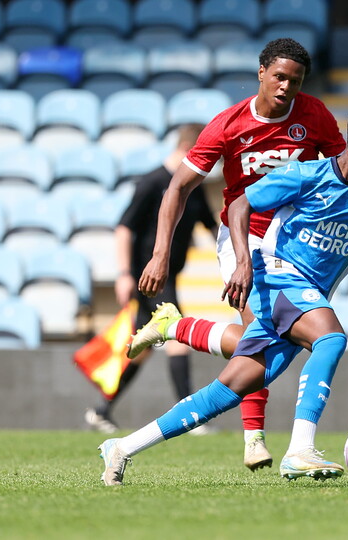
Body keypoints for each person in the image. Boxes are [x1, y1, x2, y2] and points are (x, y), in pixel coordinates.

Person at [98, 104, 348, 486]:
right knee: (331, 339)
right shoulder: (307, 175)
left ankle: (122, 447)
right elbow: (240, 204)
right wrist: (243, 262)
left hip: (308, 293)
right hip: (277, 276)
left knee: (229, 390)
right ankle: (300, 449)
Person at [133, 38, 348, 471]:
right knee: (260, 331)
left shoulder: (316, 116)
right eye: (280, 77)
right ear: (262, 73)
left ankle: (177, 326)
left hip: (296, 245)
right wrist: (160, 254)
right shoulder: (227, 125)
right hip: (242, 236)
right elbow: (178, 186)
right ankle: (256, 440)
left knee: (265, 343)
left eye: (296, 80)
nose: (287, 87)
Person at [84, 123, 218, 435]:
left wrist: (236, 261)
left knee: (141, 351)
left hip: (167, 277)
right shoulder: (153, 182)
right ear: (190, 151)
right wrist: (123, 275)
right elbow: (124, 229)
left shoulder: (192, 188)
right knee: (179, 338)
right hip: (150, 277)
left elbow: (211, 227)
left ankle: (101, 410)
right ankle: (191, 416)